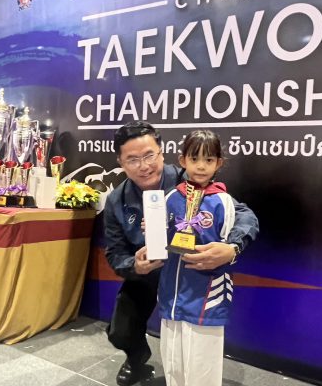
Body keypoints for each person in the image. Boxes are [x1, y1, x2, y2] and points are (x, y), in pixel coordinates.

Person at [104, 121, 258, 386]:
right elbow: (115, 253)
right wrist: (135, 265)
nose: (144, 166)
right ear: (120, 162)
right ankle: (137, 359)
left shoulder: (190, 178)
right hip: (148, 274)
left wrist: (232, 248)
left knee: (193, 341)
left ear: (162, 153)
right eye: (133, 160)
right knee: (120, 331)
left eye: (149, 155)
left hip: (189, 271)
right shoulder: (116, 200)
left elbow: (245, 216)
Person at [158, 129, 254, 386]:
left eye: (209, 160)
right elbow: (162, 240)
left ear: (219, 163)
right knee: (173, 363)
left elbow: (234, 237)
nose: (201, 166)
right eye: (194, 158)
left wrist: (232, 249)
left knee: (203, 367)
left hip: (206, 295)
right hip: (172, 294)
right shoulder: (171, 197)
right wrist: (153, 231)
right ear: (182, 160)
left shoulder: (224, 201)